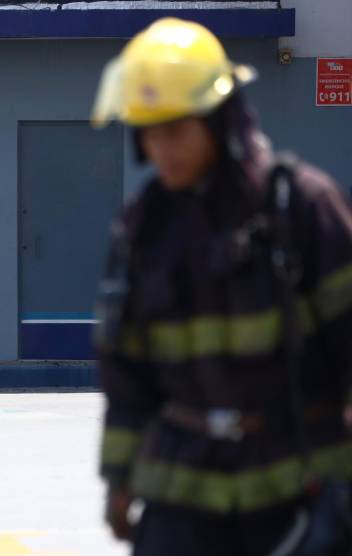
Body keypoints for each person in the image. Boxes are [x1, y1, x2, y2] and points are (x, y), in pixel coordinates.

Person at [91, 17, 352, 556]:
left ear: (220, 119)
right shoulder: (142, 229)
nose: (163, 149)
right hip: (181, 487)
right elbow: (127, 374)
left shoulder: (301, 206)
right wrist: (120, 480)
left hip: (296, 480)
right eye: (150, 132)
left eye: (177, 129)